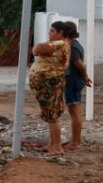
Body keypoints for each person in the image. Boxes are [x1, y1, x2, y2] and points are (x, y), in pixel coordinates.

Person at [27, 21, 71, 154]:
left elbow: (37, 49)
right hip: (46, 82)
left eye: (52, 31)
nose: (49, 34)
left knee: (52, 115)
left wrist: (37, 49)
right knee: (49, 113)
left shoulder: (61, 43)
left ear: (60, 32)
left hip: (50, 82)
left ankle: (57, 147)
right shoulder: (57, 44)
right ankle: (52, 143)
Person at [61, 21, 92, 150]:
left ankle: (75, 143)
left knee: (74, 112)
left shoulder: (72, 47)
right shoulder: (75, 45)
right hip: (75, 79)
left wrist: (85, 76)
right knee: (75, 111)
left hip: (73, 79)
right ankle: (76, 140)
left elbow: (79, 64)